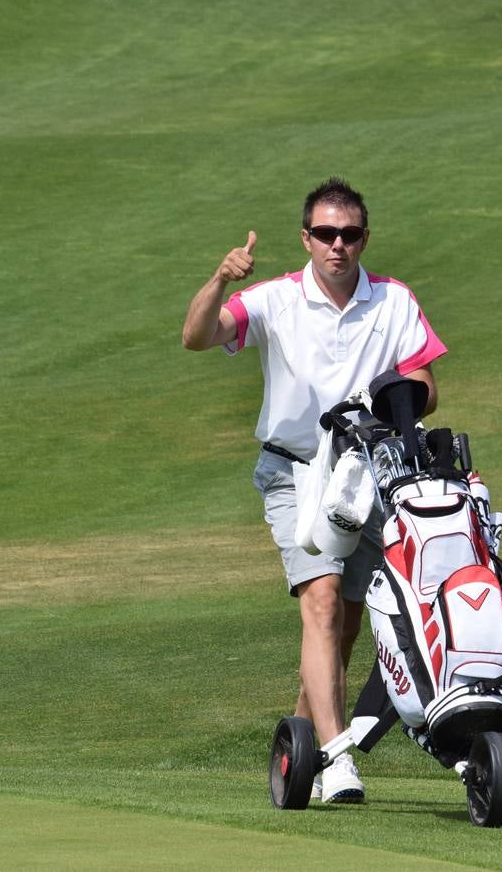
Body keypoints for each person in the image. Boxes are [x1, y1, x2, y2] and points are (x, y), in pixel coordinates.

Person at [181, 177, 446, 804]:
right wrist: (220, 279)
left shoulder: (393, 300)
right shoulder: (274, 299)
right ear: (307, 238)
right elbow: (197, 335)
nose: (338, 246)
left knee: (347, 626)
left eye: (349, 235)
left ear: (363, 239)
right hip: (296, 471)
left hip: (369, 475)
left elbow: (427, 384)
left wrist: (391, 399)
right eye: (325, 234)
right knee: (322, 603)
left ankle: (297, 752)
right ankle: (336, 759)